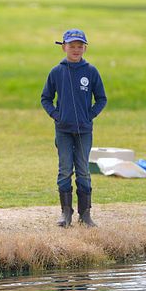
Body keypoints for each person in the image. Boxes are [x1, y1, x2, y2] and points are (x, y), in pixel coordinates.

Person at [41, 29, 107, 228]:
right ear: (64, 47)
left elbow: (101, 99)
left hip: (84, 131)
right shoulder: (56, 72)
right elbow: (46, 98)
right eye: (72, 46)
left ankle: (85, 214)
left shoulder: (91, 71)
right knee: (64, 170)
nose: (76, 50)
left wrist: (90, 115)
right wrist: (56, 115)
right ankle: (66, 212)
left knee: (84, 171)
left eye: (80, 46)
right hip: (63, 130)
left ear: (85, 48)